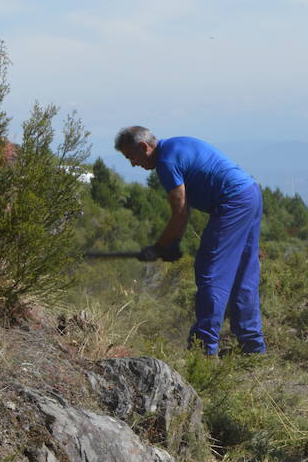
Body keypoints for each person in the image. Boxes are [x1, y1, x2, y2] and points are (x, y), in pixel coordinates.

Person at [114, 127, 266, 356]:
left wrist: (160, 247)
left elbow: (181, 211)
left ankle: (204, 349)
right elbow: (183, 213)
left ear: (144, 147)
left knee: (211, 271)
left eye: (131, 157)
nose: (133, 164)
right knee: (244, 273)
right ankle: (253, 348)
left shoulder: (166, 162)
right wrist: (171, 243)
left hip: (233, 201)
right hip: (250, 193)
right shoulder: (175, 145)